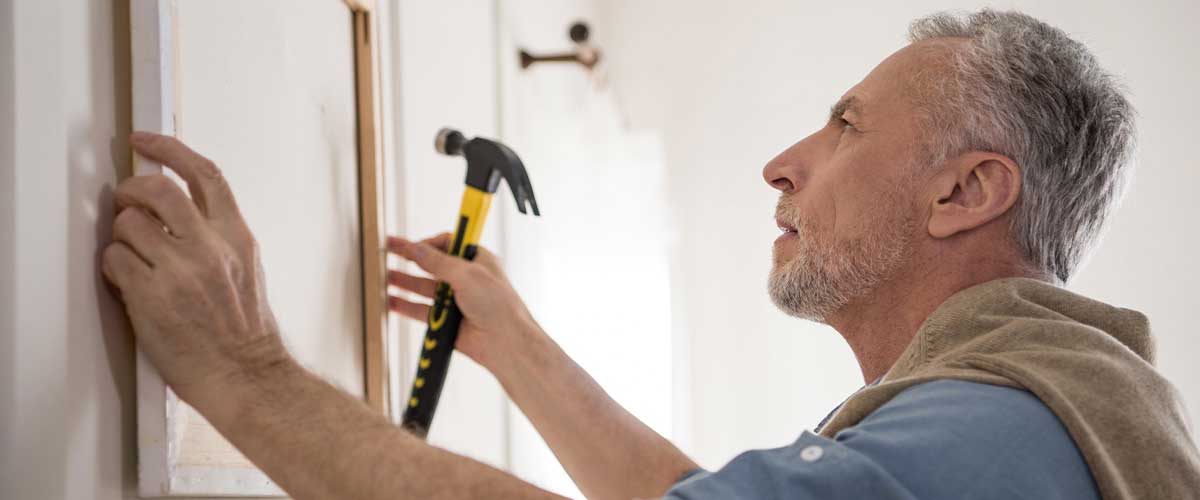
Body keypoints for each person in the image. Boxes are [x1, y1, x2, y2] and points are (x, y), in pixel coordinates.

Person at [100, 9, 1199, 500]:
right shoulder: (1049, 416)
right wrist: (518, 345)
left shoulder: (989, 438)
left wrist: (245, 373)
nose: (782, 162)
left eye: (848, 125)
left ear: (966, 192)